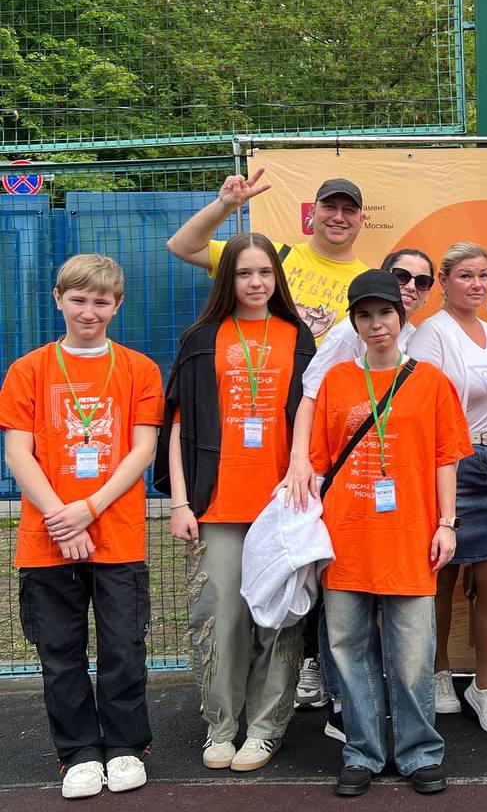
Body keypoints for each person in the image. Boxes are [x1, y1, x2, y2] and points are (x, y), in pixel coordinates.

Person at [0, 254, 163, 799]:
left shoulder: (140, 370)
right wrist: (63, 520)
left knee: (123, 648)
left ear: (118, 305)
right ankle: (78, 754)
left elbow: (143, 449)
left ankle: (125, 747)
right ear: (58, 299)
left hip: (116, 534)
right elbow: (18, 454)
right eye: (78, 299)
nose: (89, 311)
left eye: (101, 301)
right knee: (59, 652)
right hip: (47, 538)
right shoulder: (28, 370)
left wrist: (89, 508)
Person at [303, 270, 470, 797]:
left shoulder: (431, 381)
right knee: (349, 650)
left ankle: (420, 752)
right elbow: (318, 460)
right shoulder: (336, 382)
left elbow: (446, 459)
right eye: (365, 315)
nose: (377, 324)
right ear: (354, 323)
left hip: (410, 537)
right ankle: (362, 752)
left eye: (385, 313)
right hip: (346, 538)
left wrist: (446, 523)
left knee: (413, 655)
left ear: (401, 318)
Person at [154, 232, 317, 772]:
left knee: (278, 619)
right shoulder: (201, 339)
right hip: (216, 505)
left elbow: (312, 423)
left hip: (280, 507)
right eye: (244, 272)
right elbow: (177, 428)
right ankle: (221, 726)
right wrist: (181, 503)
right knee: (220, 616)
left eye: (265, 272)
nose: (255, 282)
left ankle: (267, 728)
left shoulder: (298, 338)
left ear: (277, 278)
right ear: (228, 278)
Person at [285, 247, 436, 734]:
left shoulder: (416, 343)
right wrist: (300, 462)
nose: (411, 287)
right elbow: (313, 395)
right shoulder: (344, 343)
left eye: (421, 281)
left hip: (403, 505)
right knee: (345, 619)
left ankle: (404, 737)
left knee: (399, 633)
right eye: (402, 276)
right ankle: (346, 716)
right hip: (348, 496)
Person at [407, 243, 487, 735]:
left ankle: (485, 686)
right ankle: (437, 674)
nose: (476, 285)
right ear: (445, 282)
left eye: (483, 276)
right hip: (451, 464)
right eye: (466, 276)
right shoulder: (431, 334)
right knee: (441, 576)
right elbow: (420, 405)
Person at [167, 169, 370, 342]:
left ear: (361, 220)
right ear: (312, 212)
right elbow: (183, 247)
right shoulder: (268, 255)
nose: (338, 217)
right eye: (329, 207)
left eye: (349, 210)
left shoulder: (367, 282)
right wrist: (224, 205)